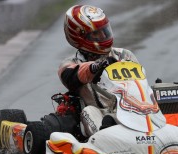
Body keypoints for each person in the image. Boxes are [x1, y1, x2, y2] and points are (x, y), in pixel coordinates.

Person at [58, 5, 139, 137]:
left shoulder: (125, 56)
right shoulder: (70, 64)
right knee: (89, 111)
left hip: (133, 110)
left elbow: (139, 84)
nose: (103, 36)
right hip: (100, 116)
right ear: (79, 37)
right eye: (96, 33)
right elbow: (73, 76)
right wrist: (95, 67)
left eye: (104, 31)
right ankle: (107, 137)